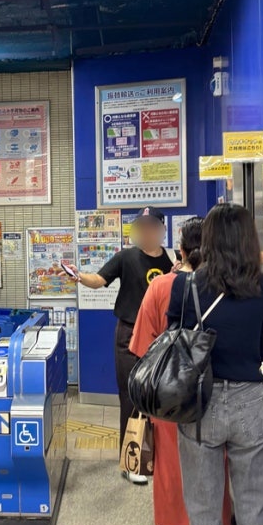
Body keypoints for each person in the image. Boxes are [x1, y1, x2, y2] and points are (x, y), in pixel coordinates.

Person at [167, 203, 263, 525]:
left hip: (201, 407)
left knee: (205, 514)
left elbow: (174, 344)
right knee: (253, 512)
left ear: (208, 239)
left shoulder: (187, 287)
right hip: (251, 405)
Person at [129, 218, 232, 525]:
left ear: (181, 249)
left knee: (172, 463)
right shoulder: (227, 287)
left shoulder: (161, 287)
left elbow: (143, 344)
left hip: (171, 395)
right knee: (216, 461)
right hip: (216, 392)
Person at [67, 206, 172, 485]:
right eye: (142, 226)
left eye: (151, 226)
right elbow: (99, 280)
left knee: (158, 398)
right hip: (128, 335)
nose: (146, 231)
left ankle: (157, 456)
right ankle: (131, 461)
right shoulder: (126, 257)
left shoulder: (169, 261)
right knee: (131, 397)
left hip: (159, 339)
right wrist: (79, 276)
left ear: (162, 229)